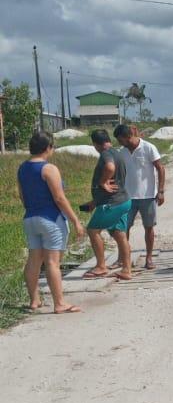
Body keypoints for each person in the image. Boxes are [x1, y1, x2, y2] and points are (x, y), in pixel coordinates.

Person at [16, 130, 85, 315]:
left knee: (33, 261)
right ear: (48, 147)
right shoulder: (49, 169)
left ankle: (34, 300)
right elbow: (59, 198)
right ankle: (59, 303)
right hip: (51, 219)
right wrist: (76, 221)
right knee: (53, 263)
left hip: (30, 218)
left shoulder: (22, 168)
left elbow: (22, 196)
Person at [113, 123, 166, 270]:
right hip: (127, 197)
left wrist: (160, 191)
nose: (119, 142)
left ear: (128, 136)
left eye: (120, 139)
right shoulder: (121, 152)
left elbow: (160, 168)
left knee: (148, 227)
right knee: (124, 228)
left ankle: (149, 258)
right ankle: (123, 258)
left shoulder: (148, 148)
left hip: (148, 196)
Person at [83, 129, 133, 281]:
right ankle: (126, 269)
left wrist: (103, 181)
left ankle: (101, 266)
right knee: (120, 234)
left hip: (112, 203)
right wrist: (95, 201)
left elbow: (110, 168)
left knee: (92, 231)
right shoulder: (117, 153)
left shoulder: (106, 153)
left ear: (95, 144)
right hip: (123, 200)